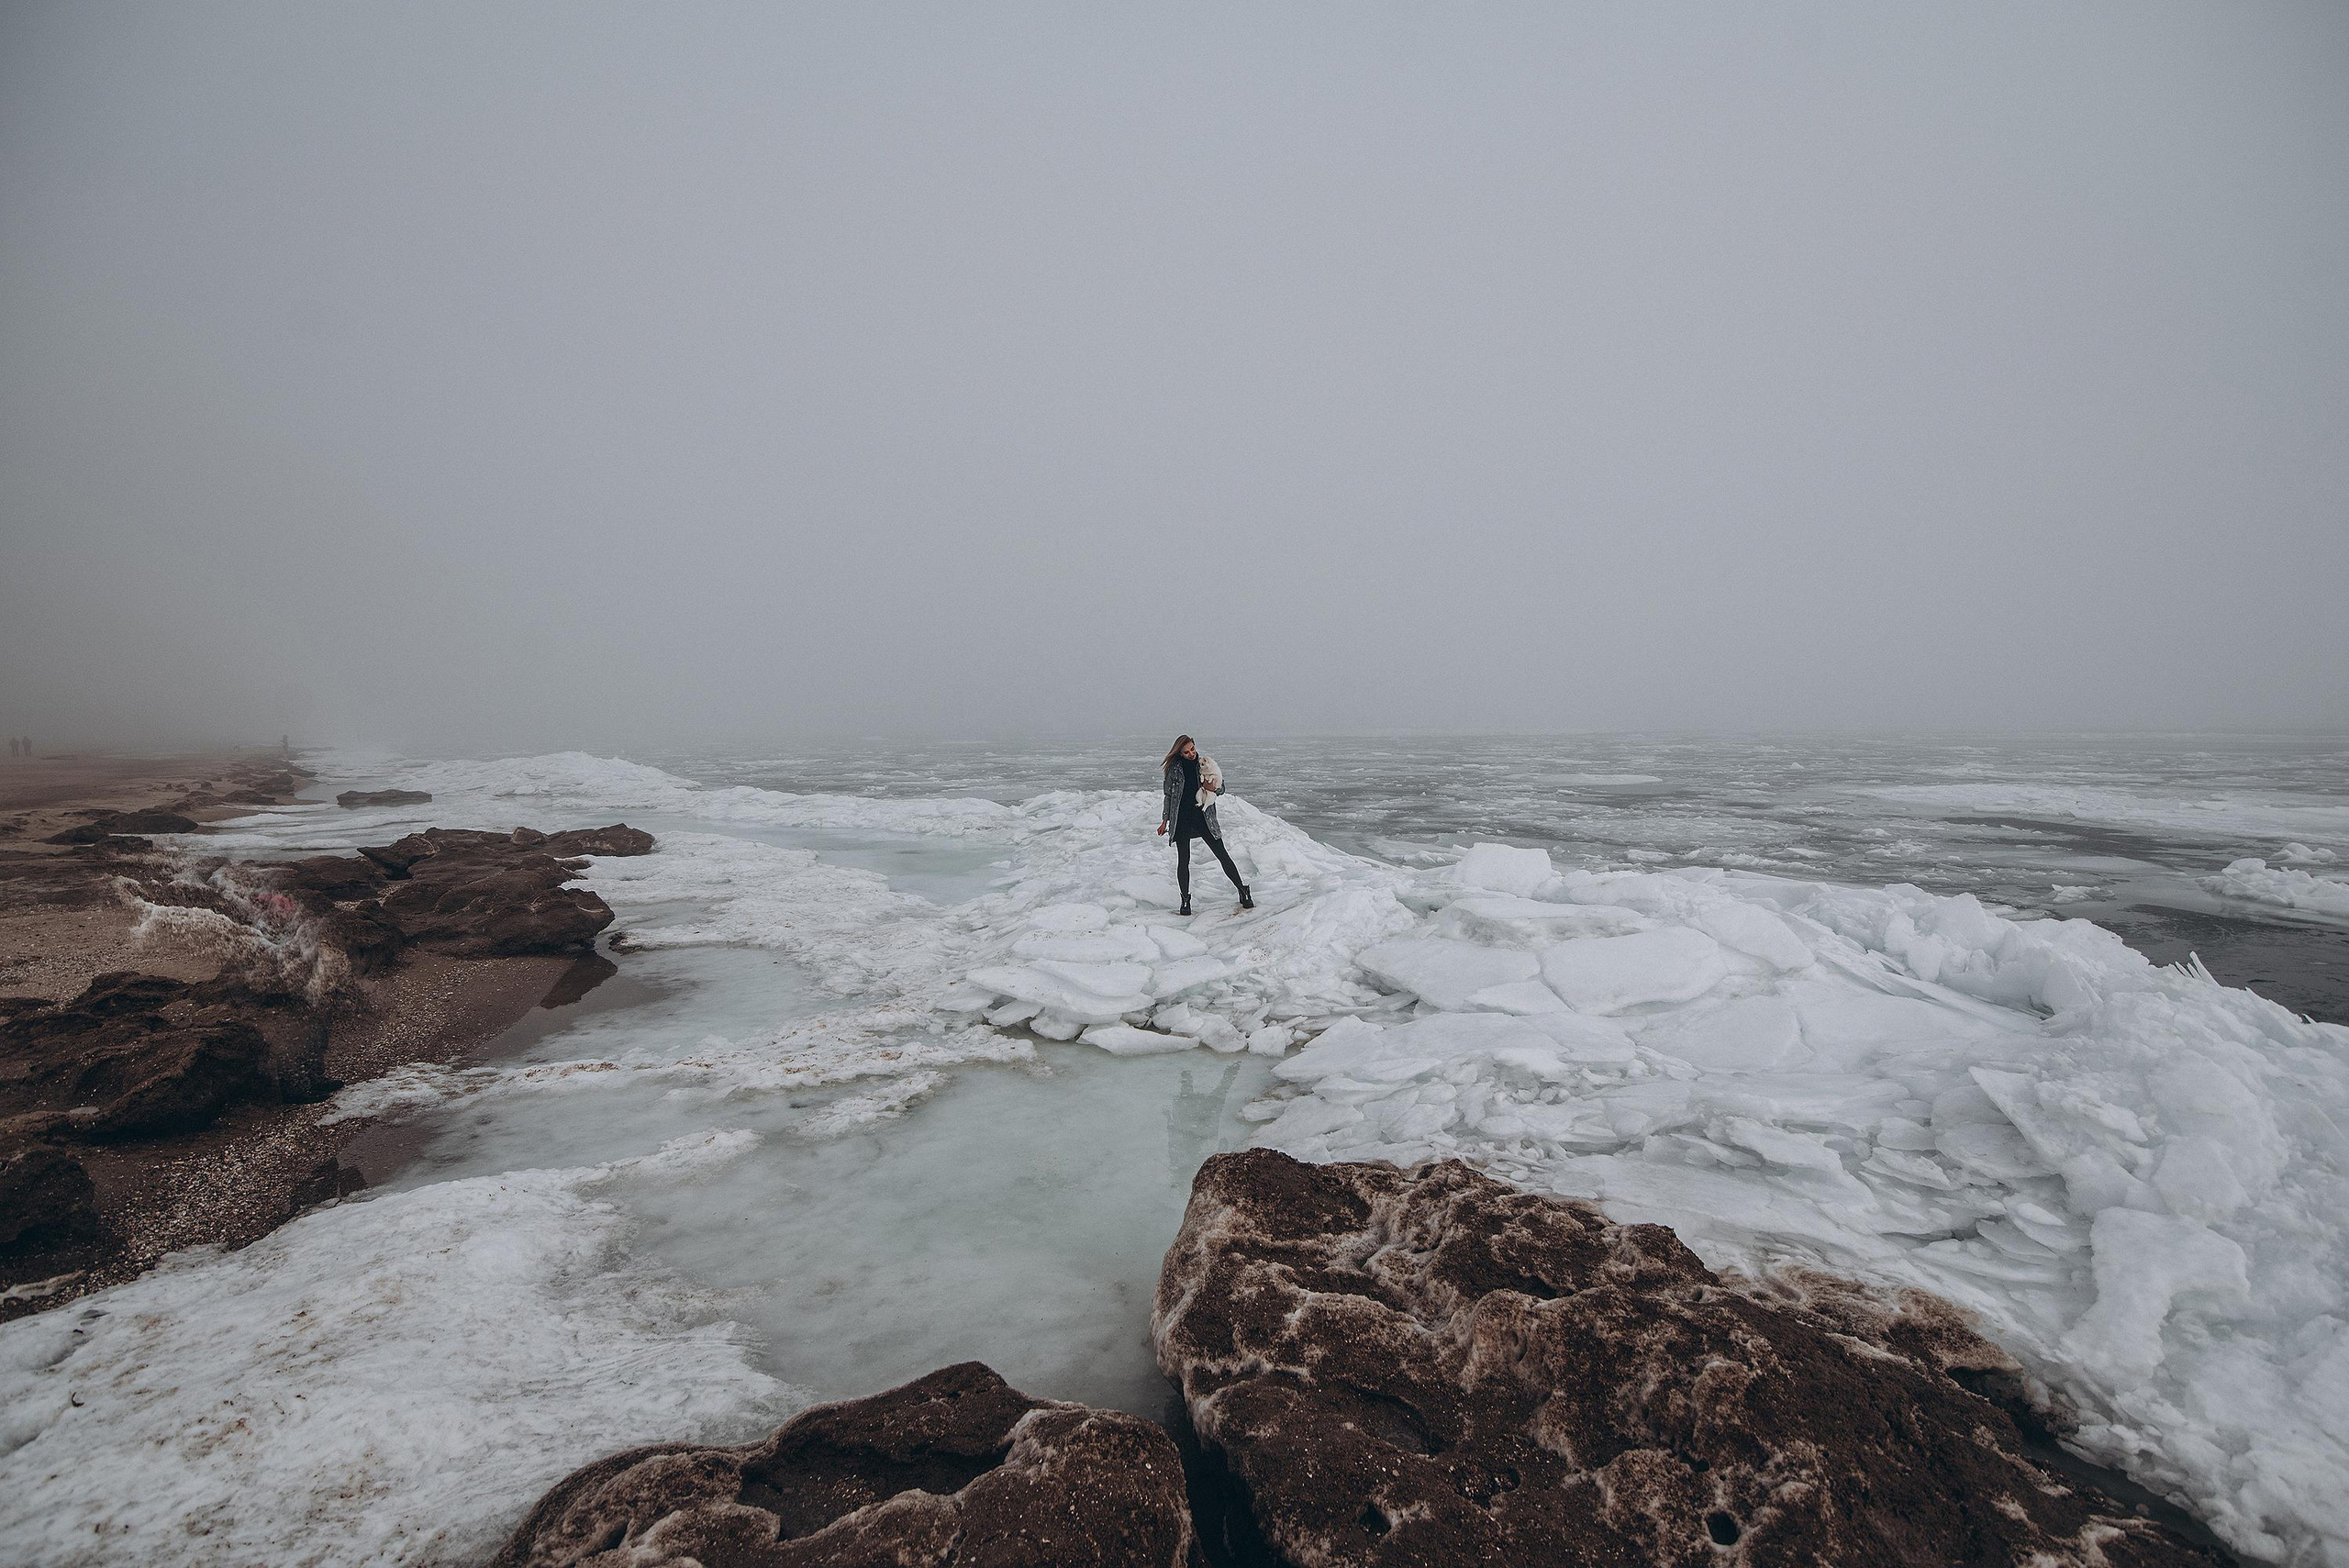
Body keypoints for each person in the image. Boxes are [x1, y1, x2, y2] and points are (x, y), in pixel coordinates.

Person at [1157, 734, 1251, 916]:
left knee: (1222, 854)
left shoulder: (1205, 764)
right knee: (1183, 860)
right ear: (1180, 753)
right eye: (1186, 752)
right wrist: (1164, 820)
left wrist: (1212, 788)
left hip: (1204, 817)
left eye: (1192, 749)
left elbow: (1222, 787)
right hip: (1182, 819)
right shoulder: (1174, 770)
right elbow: (1168, 796)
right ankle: (1185, 899)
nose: (1191, 754)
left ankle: (1242, 889)